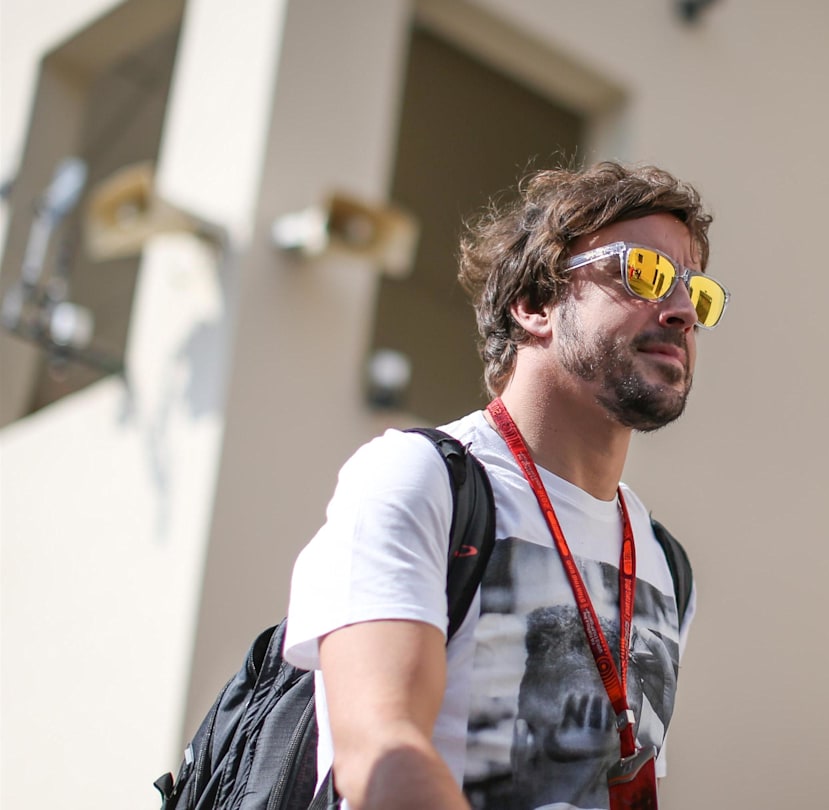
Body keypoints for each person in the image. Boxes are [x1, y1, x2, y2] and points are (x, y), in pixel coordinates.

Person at [282, 162, 728, 809]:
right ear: (536, 304)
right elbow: (381, 751)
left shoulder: (664, 562)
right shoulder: (421, 479)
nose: (684, 311)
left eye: (698, 294)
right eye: (646, 273)